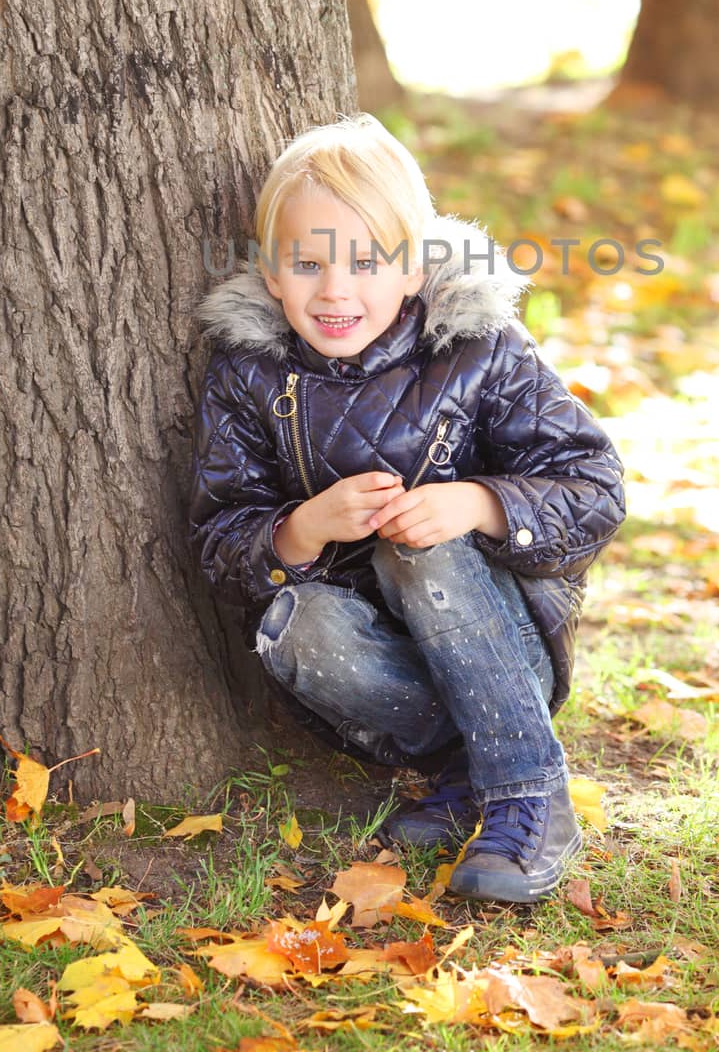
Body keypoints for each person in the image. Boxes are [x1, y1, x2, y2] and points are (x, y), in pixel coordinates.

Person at [188, 112, 626, 903]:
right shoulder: (248, 372)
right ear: (270, 273)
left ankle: (530, 793)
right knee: (297, 625)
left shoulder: (476, 348)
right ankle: (468, 771)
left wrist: (476, 504)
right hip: (383, 652)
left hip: (500, 634)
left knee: (416, 546)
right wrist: (300, 529)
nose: (336, 289)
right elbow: (220, 535)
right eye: (307, 263)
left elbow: (594, 485)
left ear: (415, 270)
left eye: (365, 261)